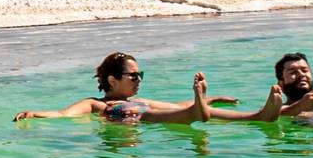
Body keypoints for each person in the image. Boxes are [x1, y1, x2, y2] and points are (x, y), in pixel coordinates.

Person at [13, 52, 237, 126]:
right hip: (138, 121)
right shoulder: (96, 103)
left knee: (187, 110)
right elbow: (64, 114)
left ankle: (261, 114)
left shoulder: (142, 98)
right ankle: (197, 111)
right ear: (112, 80)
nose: (139, 79)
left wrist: (213, 98)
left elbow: (177, 105)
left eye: (140, 75)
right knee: (147, 114)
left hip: (161, 115)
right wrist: (35, 114)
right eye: (133, 76)